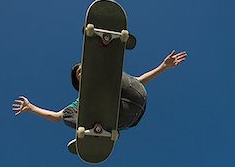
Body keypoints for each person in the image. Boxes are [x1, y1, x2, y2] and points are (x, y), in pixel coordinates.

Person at [12, 50, 187, 136]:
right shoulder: (82, 101)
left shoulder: (106, 77)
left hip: (132, 95)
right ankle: (95, 129)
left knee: (110, 74)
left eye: (84, 68)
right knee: (67, 114)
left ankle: (106, 45)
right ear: (78, 81)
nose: (84, 72)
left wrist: (163, 67)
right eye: (80, 72)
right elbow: (58, 116)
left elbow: (138, 81)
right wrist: (31, 108)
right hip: (121, 118)